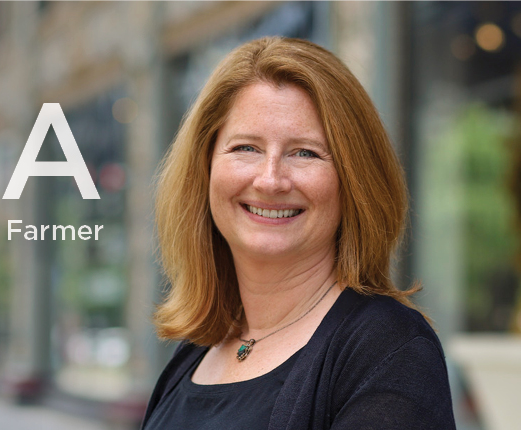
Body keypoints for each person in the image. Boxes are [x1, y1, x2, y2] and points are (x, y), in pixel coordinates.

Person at [141, 37, 456, 429]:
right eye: (246, 148)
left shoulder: (389, 351)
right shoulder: (197, 350)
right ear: (204, 169)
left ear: (353, 180)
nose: (270, 180)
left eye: (305, 152)